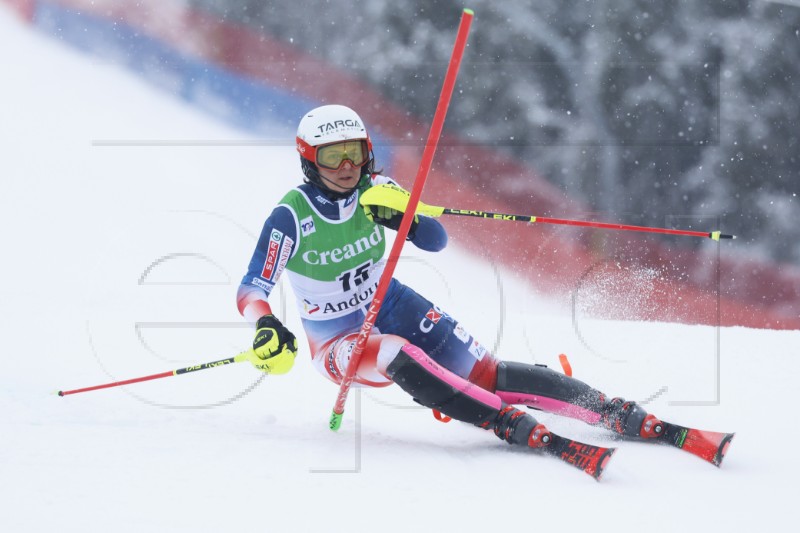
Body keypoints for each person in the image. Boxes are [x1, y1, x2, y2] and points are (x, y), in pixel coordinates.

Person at [236, 104, 663, 451]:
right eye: (332, 155)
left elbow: (436, 240)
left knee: (485, 372)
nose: (348, 165)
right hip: (337, 338)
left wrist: (409, 218)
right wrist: (266, 323)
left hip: (393, 302)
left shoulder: (377, 187)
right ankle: (502, 420)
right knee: (392, 352)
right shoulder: (291, 216)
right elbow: (252, 286)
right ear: (309, 159)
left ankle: (604, 408)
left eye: (356, 151)